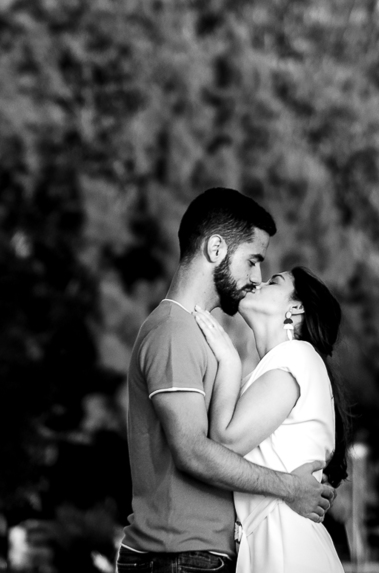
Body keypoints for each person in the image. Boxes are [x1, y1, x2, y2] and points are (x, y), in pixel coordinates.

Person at [119, 188, 335, 572]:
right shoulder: (174, 332)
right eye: (252, 261)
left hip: (201, 553)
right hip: (178, 555)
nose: (256, 277)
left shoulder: (204, 336)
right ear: (216, 249)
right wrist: (290, 487)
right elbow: (193, 450)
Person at [193, 266, 349, 573]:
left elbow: (225, 442)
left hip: (287, 549)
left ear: (296, 308)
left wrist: (228, 362)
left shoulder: (297, 356)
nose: (257, 283)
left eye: (274, 281)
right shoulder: (283, 365)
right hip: (275, 543)